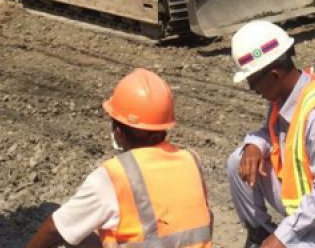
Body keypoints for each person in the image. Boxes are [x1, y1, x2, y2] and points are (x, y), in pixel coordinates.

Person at [27, 69, 213, 248]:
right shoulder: (191, 161)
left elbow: (55, 229)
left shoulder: (114, 177)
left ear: (118, 131)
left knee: (73, 234)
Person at [226, 21, 315, 248]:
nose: (254, 91)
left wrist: (283, 237)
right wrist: (254, 144)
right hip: (304, 206)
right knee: (237, 160)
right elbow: (270, 133)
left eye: (253, 83)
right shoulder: (284, 96)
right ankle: (260, 235)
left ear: (273, 76)